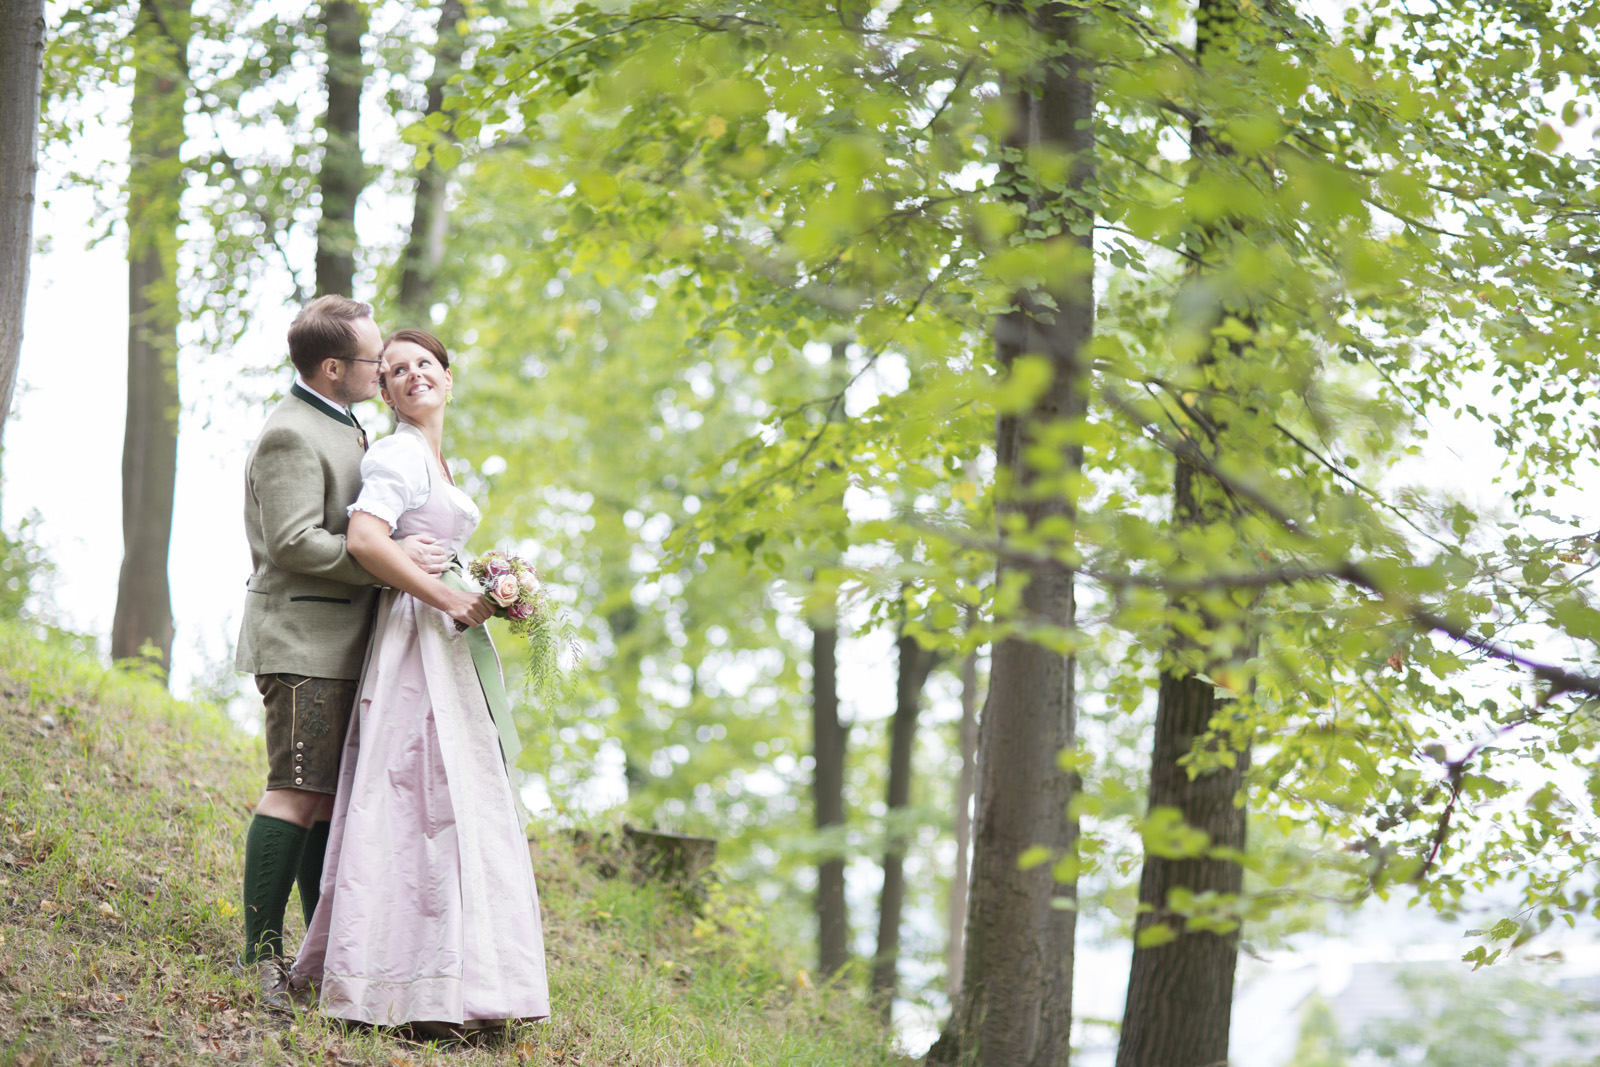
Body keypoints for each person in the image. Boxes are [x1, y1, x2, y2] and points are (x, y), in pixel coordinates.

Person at [293, 328, 550, 1034]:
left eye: (425, 365)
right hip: (416, 642)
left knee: (453, 801)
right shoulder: (402, 451)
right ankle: (407, 988)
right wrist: (448, 598)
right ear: (384, 390)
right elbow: (366, 538)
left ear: (448, 377)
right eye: (397, 369)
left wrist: (491, 586)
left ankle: (460, 981)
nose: (412, 375)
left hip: (445, 645)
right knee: (419, 797)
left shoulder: (433, 455)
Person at [235, 296, 451, 1010]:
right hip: (304, 638)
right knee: (295, 789)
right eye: (370, 360)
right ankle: (258, 957)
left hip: (344, 640)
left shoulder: (344, 423)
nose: (380, 367)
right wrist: (384, 556)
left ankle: (312, 954)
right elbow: (294, 540)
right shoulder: (290, 433)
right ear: (334, 369)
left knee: (327, 798)